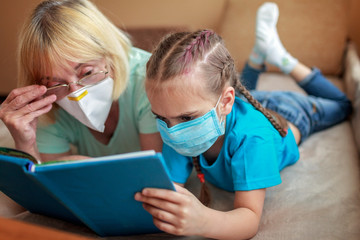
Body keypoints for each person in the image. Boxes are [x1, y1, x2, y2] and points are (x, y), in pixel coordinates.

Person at [134, 2, 352, 239]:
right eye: (160, 117)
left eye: (187, 118)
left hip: (289, 112)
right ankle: (258, 57)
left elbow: (248, 219)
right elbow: (170, 189)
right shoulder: (176, 122)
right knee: (241, 93)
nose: (173, 132)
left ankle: (281, 58)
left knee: (343, 106)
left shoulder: (252, 139)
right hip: (243, 101)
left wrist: (202, 220)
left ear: (225, 103)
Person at [0, 0, 162, 163]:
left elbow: (155, 177)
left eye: (87, 72)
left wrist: (88, 169)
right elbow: (48, 184)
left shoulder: (149, 82)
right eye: (56, 83)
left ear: (110, 54)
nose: (76, 93)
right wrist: (26, 144)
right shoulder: (46, 103)